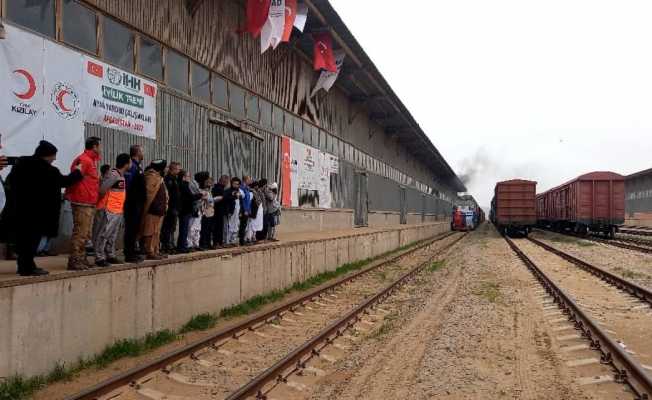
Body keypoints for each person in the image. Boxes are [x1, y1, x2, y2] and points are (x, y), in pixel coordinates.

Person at [0, 141, 82, 276]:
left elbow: (11, 182)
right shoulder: (49, 170)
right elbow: (65, 181)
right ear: (47, 155)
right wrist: (78, 171)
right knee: (31, 242)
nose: (55, 159)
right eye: (54, 156)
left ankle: (25, 265)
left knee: (23, 241)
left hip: (18, 210)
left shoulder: (21, 164)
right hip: (38, 214)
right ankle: (27, 268)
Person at [65, 137, 101, 271]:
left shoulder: (91, 161)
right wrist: (70, 194)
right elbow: (74, 177)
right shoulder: (83, 160)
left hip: (89, 202)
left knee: (86, 234)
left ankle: (81, 257)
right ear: (94, 146)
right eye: (99, 146)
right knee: (80, 232)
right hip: (81, 202)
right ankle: (75, 260)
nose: (100, 149)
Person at [94, 154, 131, 267]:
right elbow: (102, 190)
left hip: (118, 210)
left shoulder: (121, 176)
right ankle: (99, 257)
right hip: (109, 209)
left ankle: (110, 254)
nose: (131, 164)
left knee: (112, 235)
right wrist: (102, 206)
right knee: (103, 234)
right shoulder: (113, 175)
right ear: (126, 164)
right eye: (130, 162)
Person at [140, 160, 168, 260]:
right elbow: (149, 194)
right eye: (165, 167)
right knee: (150, 231)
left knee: (156, 232)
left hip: (159, 210)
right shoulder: (151, 176)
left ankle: (156, 250)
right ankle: (150, 251)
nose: (166, 169)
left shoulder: (159, 177)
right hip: (153, 209)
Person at [123, 145, 146, 263]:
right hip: (132, 203)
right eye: (142, 151)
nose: (143, 154)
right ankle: (129, 253)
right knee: (131, 228)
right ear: (137, 153)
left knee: (135, 228)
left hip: (137, 203)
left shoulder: (138, 167)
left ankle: (132, 250)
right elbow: (128, 185)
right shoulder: (131, 167)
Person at [177, 170, 203, 253]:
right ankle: (182, 246)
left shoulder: (185, 185)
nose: (189, 178)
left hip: (186, 209)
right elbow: (190, 197)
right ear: (184, 177)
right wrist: (200, 195)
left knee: (184, 229)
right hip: (185, 210)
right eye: (188, 176)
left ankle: (182, 245)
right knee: (184, 229)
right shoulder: (183, 185)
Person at [161, 162, 181, 254]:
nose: (179, 170)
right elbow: (168, 194)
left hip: (175, 207)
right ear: (173, 169)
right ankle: (166, 245)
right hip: (170, 208)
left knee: (172, 228)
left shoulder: (175, 179)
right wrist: (170, 207)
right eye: (177, 169)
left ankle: (170, 245)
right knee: (167, 228)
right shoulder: (168, 179)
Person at [224, 177, 244, 246]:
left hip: (237, 212)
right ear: (232, 184)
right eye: (235, 184)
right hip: (230, 211)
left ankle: (233, 240)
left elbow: (241, 202)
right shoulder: (228, 191)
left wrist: (241, 211)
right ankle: (227, 241)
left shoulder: (240, 192)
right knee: (229, 226)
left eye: (237, 184)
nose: (236, 185)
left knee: (236, 225)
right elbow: (226, 199)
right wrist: (234, 196)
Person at [211, 175, 229, 247]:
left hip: (219, 210)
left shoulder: (220, 188)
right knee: (218, 227)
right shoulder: (218, 188)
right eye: (226, 181)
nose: (227, 183)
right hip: (218, 210)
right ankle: (217, 243)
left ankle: (219, 242)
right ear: (223, 181)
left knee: (219, 227)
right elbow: (221, 199)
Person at [197, 174, 214, 250]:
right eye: (208, 182)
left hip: (210, 211)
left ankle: (208, 243)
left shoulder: (210, 191)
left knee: (209, 229)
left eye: (210, 183)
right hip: (204, 211)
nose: (209, 184)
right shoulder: (201, 190)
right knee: (204, 229)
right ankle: (203, 243)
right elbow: (204, 200)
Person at [239, 175, 253, 245]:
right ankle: (241, 241)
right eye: (249, 179)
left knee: (245, 225)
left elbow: (248, 201)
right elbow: (242, 201)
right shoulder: (242, 188)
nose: (250, 181)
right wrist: (244, 210)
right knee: (242, 225)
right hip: (244, 210)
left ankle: (243, 239)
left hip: (247, 209)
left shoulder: (247, 188)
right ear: (245, 180)